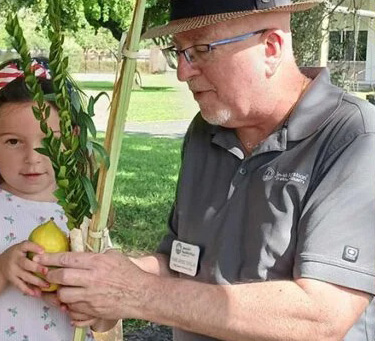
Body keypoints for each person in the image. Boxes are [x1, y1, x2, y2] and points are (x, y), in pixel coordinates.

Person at [35, 1, 375, 340]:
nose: (182, 72)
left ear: (270, 48)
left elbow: (321, 318)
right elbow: (180, 263)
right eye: (178, 52)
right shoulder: (205, 131)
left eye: (200, 49)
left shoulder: (353, 138)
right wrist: (97, 280)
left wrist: (133, 292)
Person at [0, 58, 114, 340]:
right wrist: (1, 269)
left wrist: (95, 311)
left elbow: (105, 319)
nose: (33, 159)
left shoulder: (82, 213)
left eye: (50, 141)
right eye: (14, 141)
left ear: (72, 141)